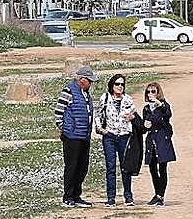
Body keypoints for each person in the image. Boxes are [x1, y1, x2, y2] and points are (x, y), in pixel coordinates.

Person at [54, 65, 95, 207]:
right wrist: (64, 129)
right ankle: (68, 196)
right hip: (72, 136)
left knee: (83, 167)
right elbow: (59, 112)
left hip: (84, 136)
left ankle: (77, 195)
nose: (91, 83)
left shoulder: (86, 93)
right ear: (82, 79)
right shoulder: (68, 91)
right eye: (90, 80)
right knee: (71, 166)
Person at [95, 73, 138, 206]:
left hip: (124, 136)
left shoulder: (128, 99)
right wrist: (100, 129)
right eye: (117, 84)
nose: (120, 87)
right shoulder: (105, 98)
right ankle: (111, 198)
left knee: (125, 167)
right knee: (111, 167)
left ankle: (128, 196)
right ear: (112, 85)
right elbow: (98, 115)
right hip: (110, 137)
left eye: (122, 84)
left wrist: (132, 118)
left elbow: (134, 116)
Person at [141, 81, 176, 206]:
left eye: (153, 91)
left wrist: (159, 104)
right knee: (152, 169)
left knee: (163, 168)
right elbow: (144, 128)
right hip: (152, 141)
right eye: (148, 92)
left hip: (162, 140)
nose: (150, 94)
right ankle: (157, 194)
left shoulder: (164, 106)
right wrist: (144, 126)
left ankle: (160, 196)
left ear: (158, 93)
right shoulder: (146, 109)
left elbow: (168, 115)